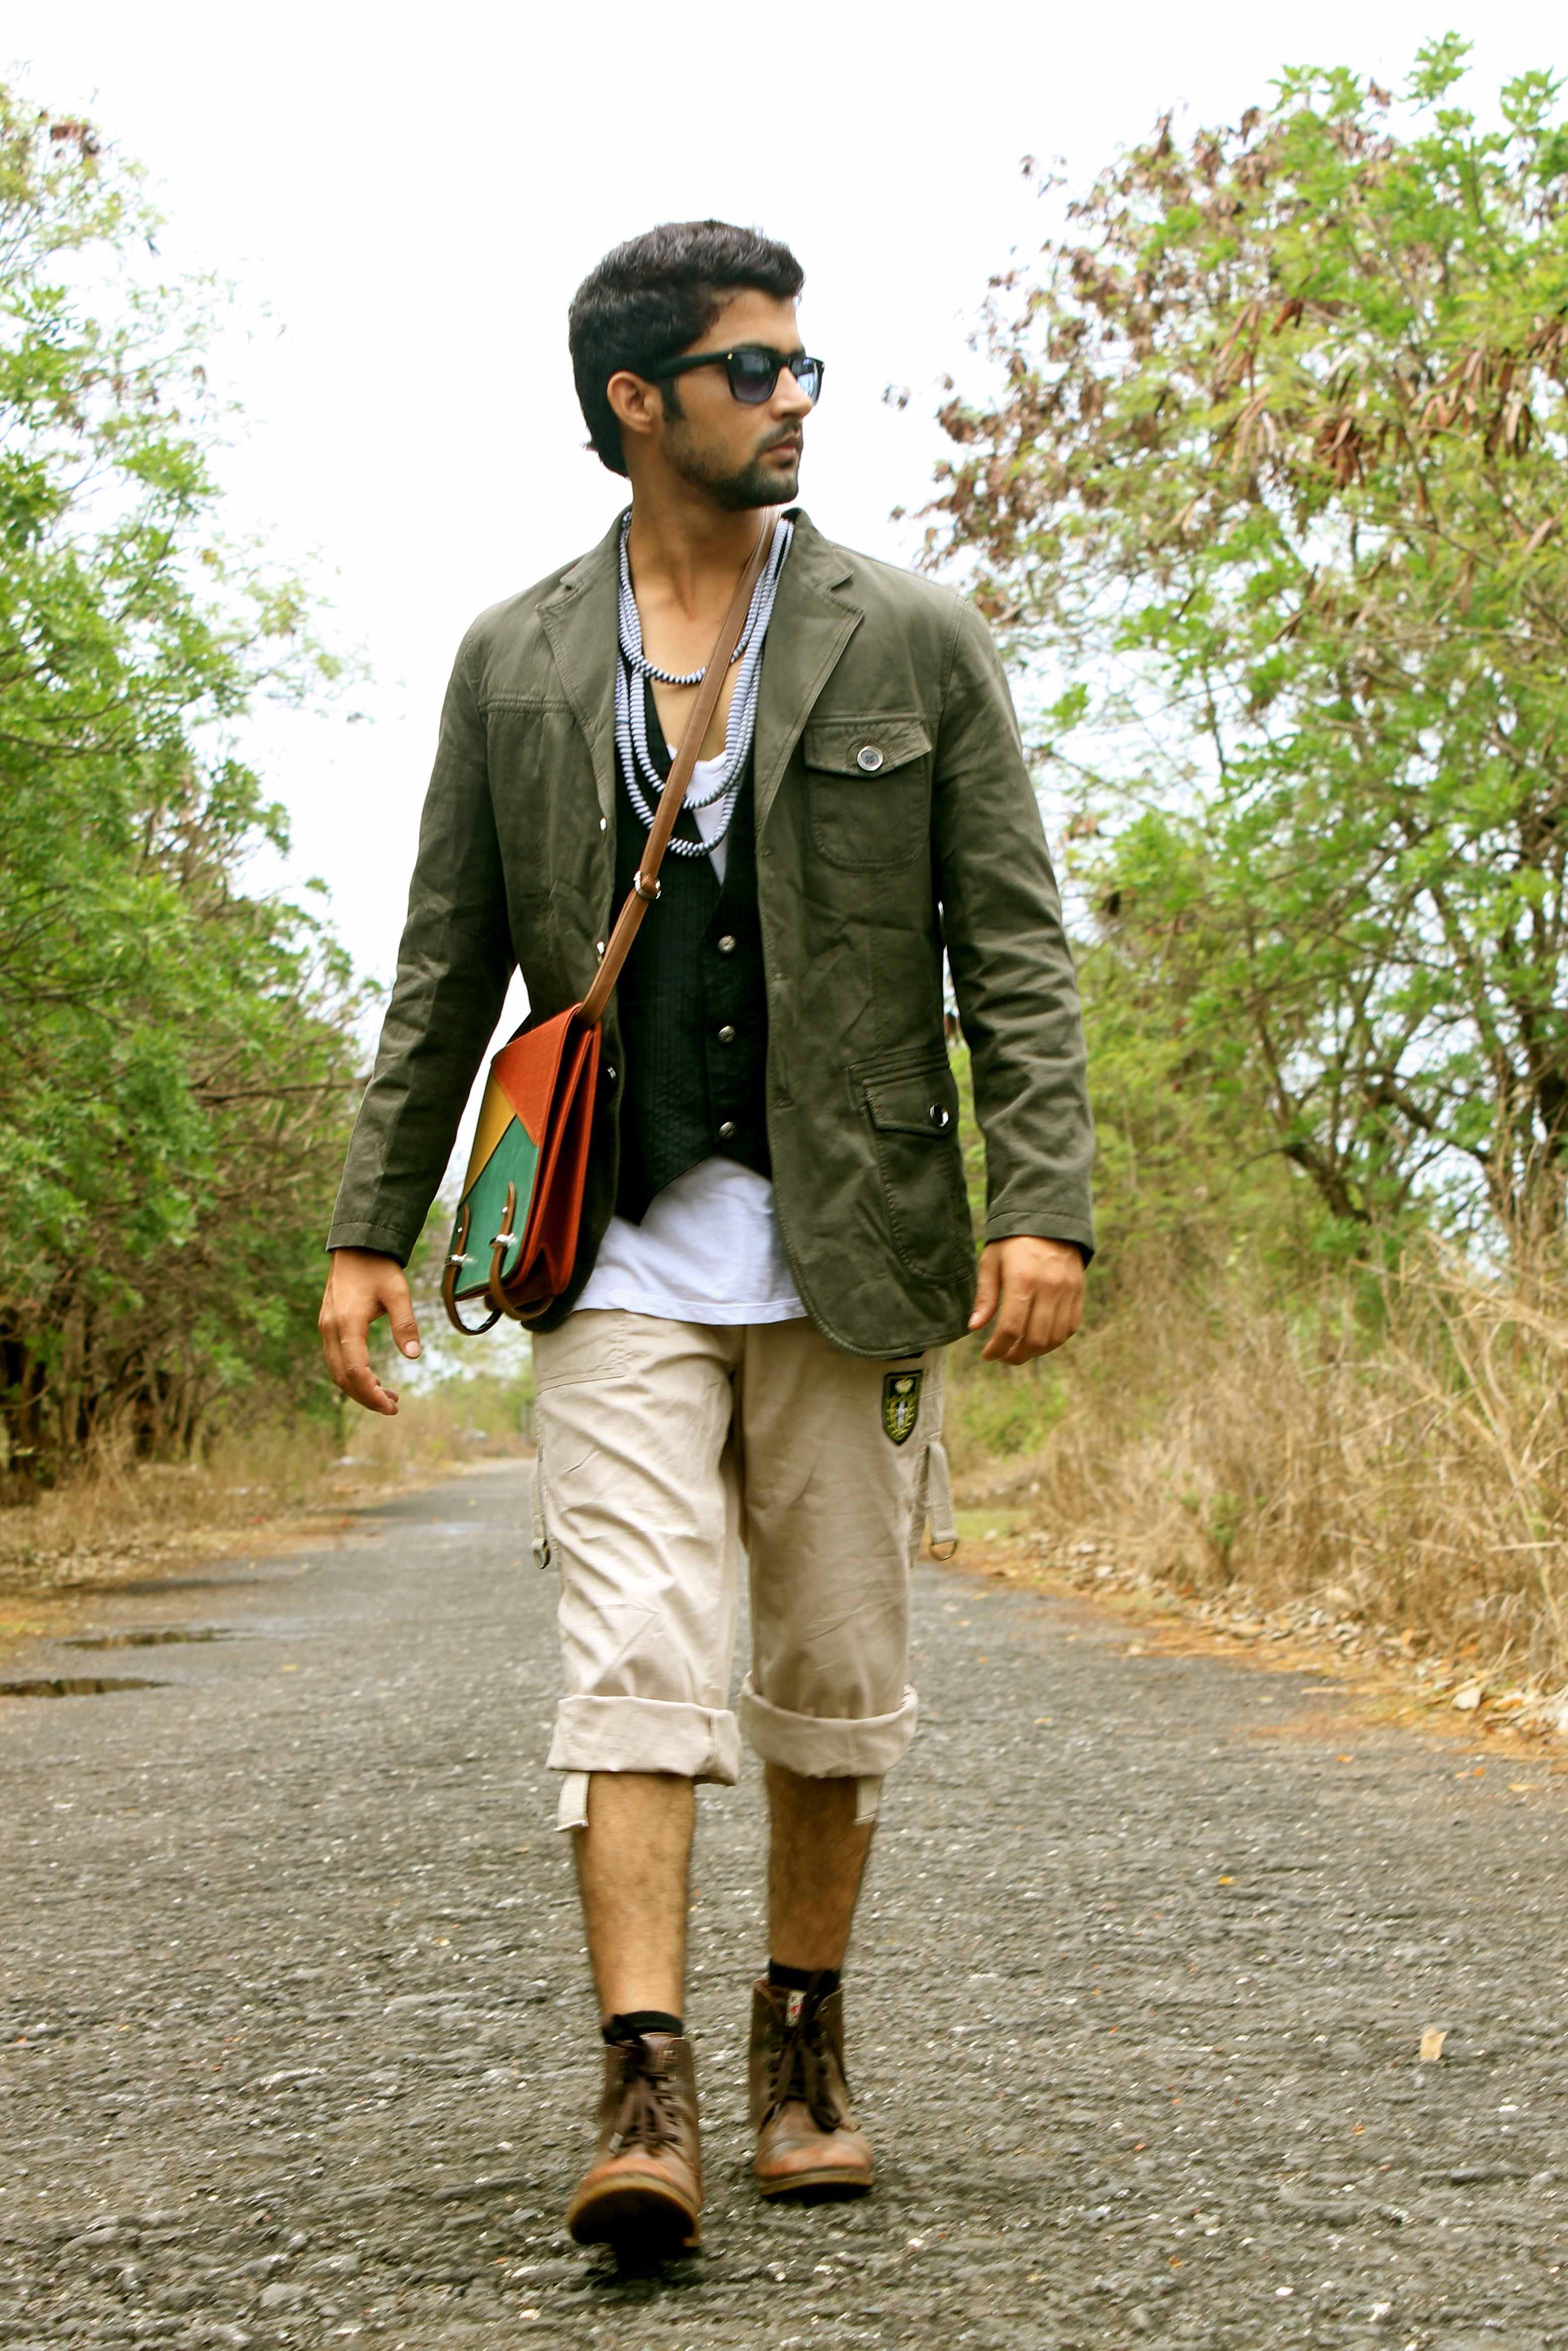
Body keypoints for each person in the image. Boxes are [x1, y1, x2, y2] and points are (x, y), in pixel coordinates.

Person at [319, 220, 1094, 2259]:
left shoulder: (910, 636)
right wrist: (371, 1228)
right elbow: (443, 964)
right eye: (754, 370)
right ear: (637, 400)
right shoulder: (513, 659)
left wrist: (1043, 1202)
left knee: (832, 1673)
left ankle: (802, 2044)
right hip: (613, 1251)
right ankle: (641, 2081)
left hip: (860, 1240)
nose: (795, 397)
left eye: (803, 364)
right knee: (633, 1661)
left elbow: (1013, 947)